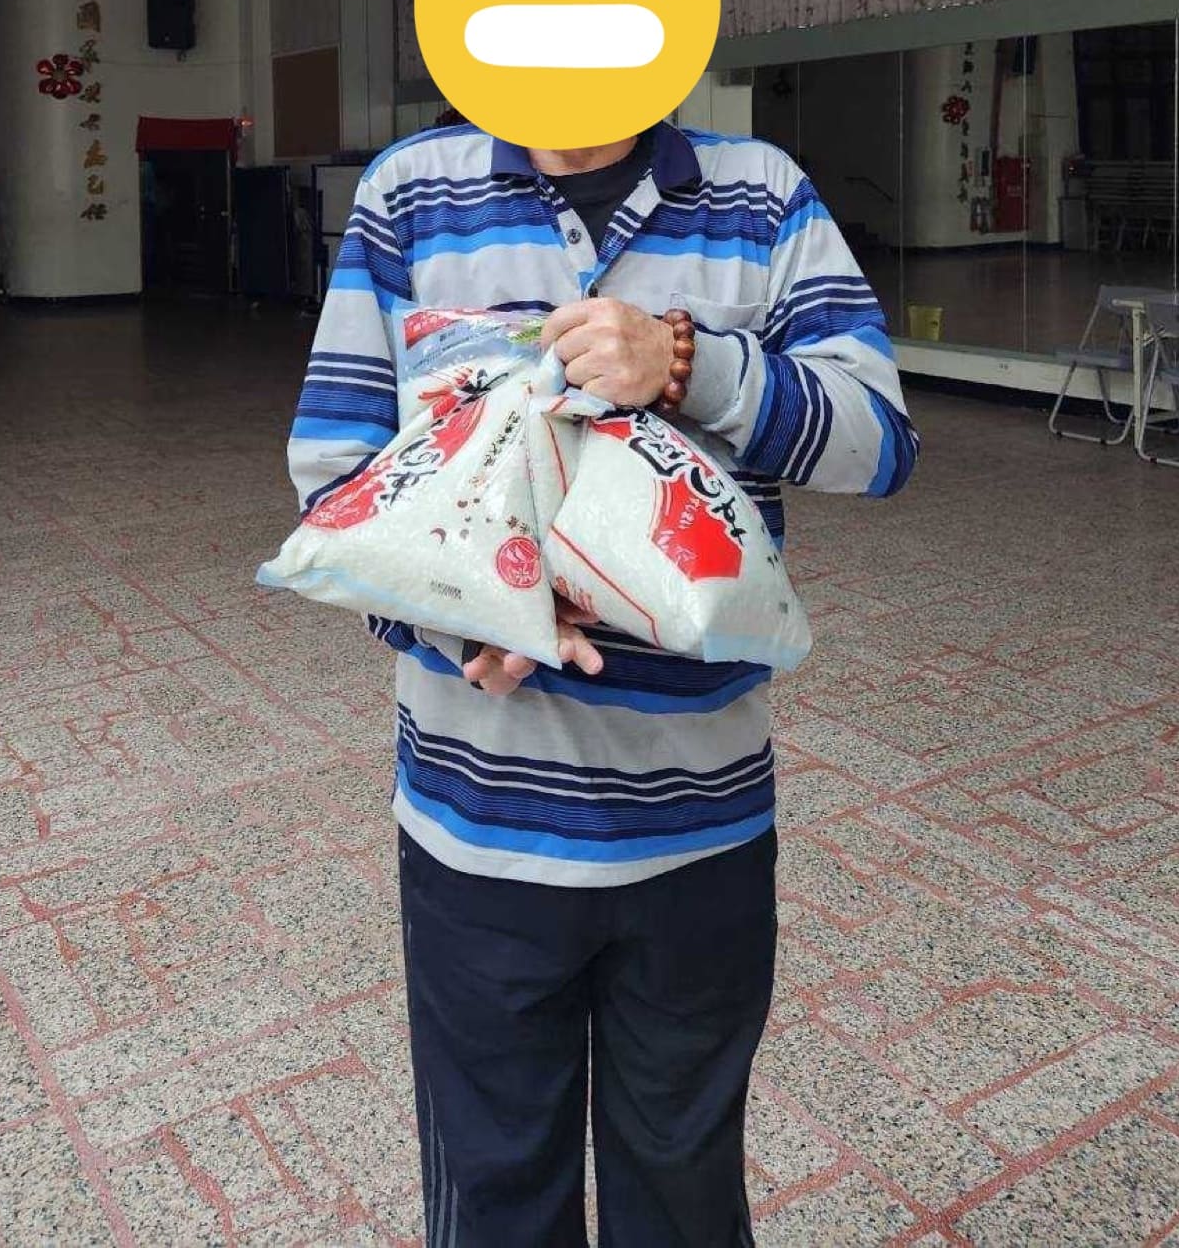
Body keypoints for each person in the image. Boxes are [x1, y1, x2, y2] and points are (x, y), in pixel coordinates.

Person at [287, 117, 917, 1248]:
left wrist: (687, 363)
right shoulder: (410, 194)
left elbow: (880, 441)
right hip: (480, 830)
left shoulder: (760, 192)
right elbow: (336, 478)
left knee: (684, 1191)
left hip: (701, 826)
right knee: (494, 1189)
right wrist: (463, 617)